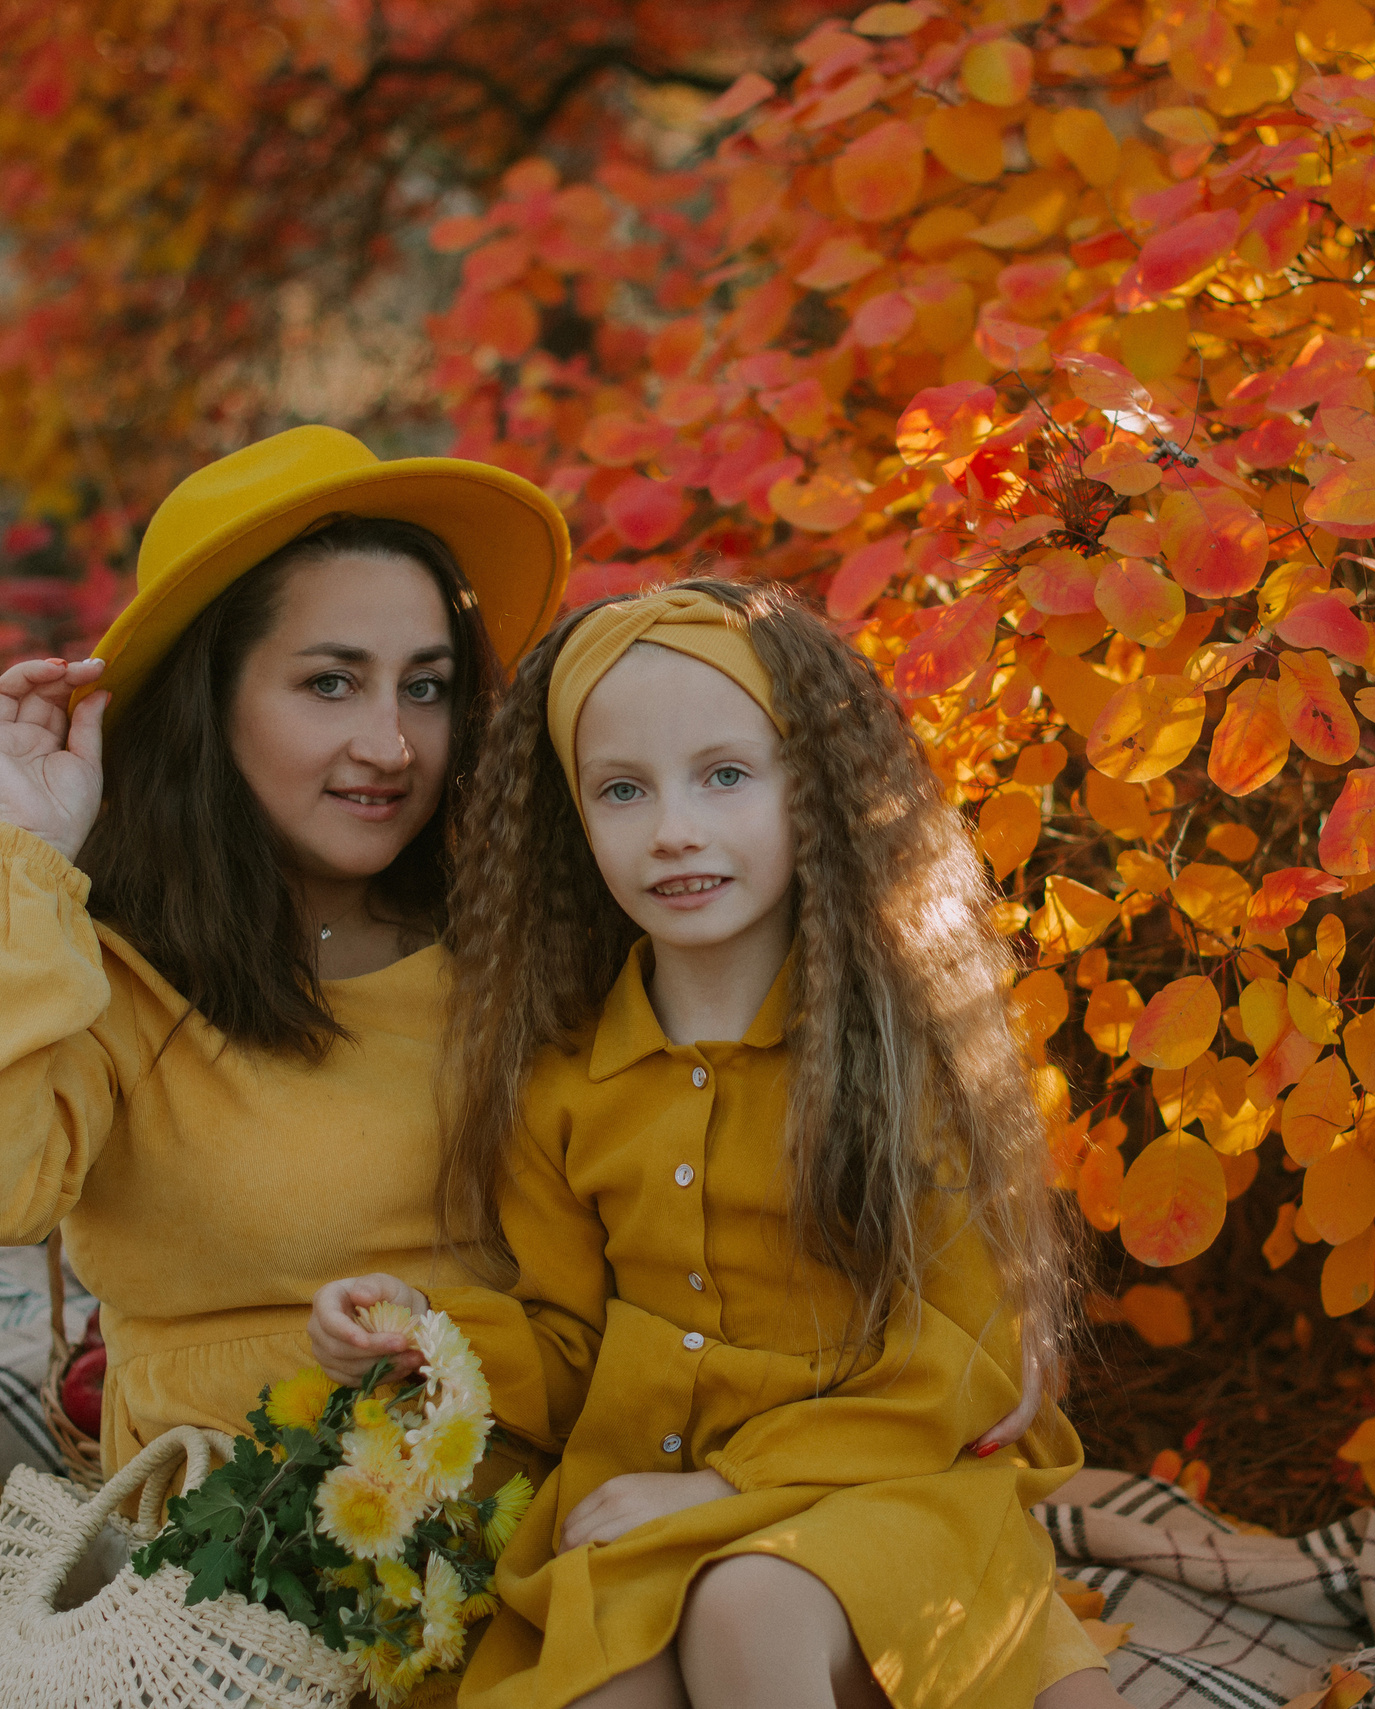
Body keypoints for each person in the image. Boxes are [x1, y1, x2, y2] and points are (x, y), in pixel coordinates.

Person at [309, 583, 1121, 1709]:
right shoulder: (563, 1087)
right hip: (644, 1501)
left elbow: (967, 1363)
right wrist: (424, 1337)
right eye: (622, 789)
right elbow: (567, 1345)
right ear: (574, 819)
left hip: (880, 1484)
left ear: (814, 789)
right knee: (591, 1689)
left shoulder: (903, 1063)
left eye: (725, 775)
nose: (673, 829)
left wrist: (731, 1487)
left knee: (749, 1607)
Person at [0, 425, 573, 1469]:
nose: (392, 744)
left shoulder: (517, 931)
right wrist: (22, 850)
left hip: (553, 1468)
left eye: (426, 686)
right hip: (253, 1500)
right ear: (209, 701)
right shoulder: (103, 972)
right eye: (331, 683)